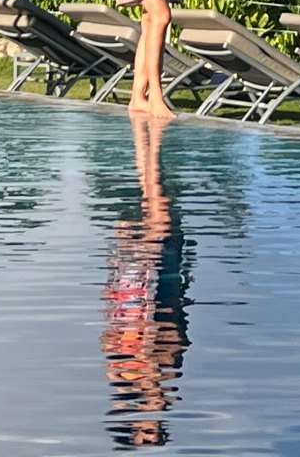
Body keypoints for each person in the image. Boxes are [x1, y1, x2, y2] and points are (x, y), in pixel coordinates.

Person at [102, 110, 192, 447]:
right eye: (156, 433)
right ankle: (148, 138)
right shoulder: (166, 379)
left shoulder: (120, 372)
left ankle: (147, 136)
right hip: (164, 278)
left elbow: (111, 323)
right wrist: (153, 392)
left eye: (147, 432)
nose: (155, 428)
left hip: (145, 274)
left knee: (155, 197)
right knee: (157, 199)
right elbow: (171, 340)